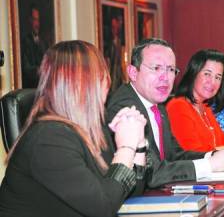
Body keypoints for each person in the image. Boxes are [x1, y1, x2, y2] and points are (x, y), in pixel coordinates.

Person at [0, 40, 148, 217]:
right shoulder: (48, 139)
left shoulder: (92, 128)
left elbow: (127, 192)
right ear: (85, 86)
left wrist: (138, 145)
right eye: (102, 78)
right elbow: (103, 208)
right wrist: (125, 148)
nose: (107, 87)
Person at [107, 38, 224, 188]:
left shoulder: (158, 106)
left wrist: (211, 156)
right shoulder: (125, 107)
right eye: (156, 68)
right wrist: (209, 165)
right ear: (133, 72)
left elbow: (174, 154)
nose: (165, 77)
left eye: (170, 69)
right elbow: (152, 173)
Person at [21, 4, 48, 88]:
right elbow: (26, 68)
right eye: (34, 20)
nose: (37, 24)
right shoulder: (24, 42)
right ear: (29, 20)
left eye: (38, 20)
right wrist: (38, 70)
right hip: (30, 88)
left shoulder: (44, 42)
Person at [104, 14, 125, 92]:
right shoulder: (108, 44)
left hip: (121, 79)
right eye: (112, 27)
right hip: (113, 80)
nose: (114, 29)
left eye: (116, 27)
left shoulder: (123, 43)